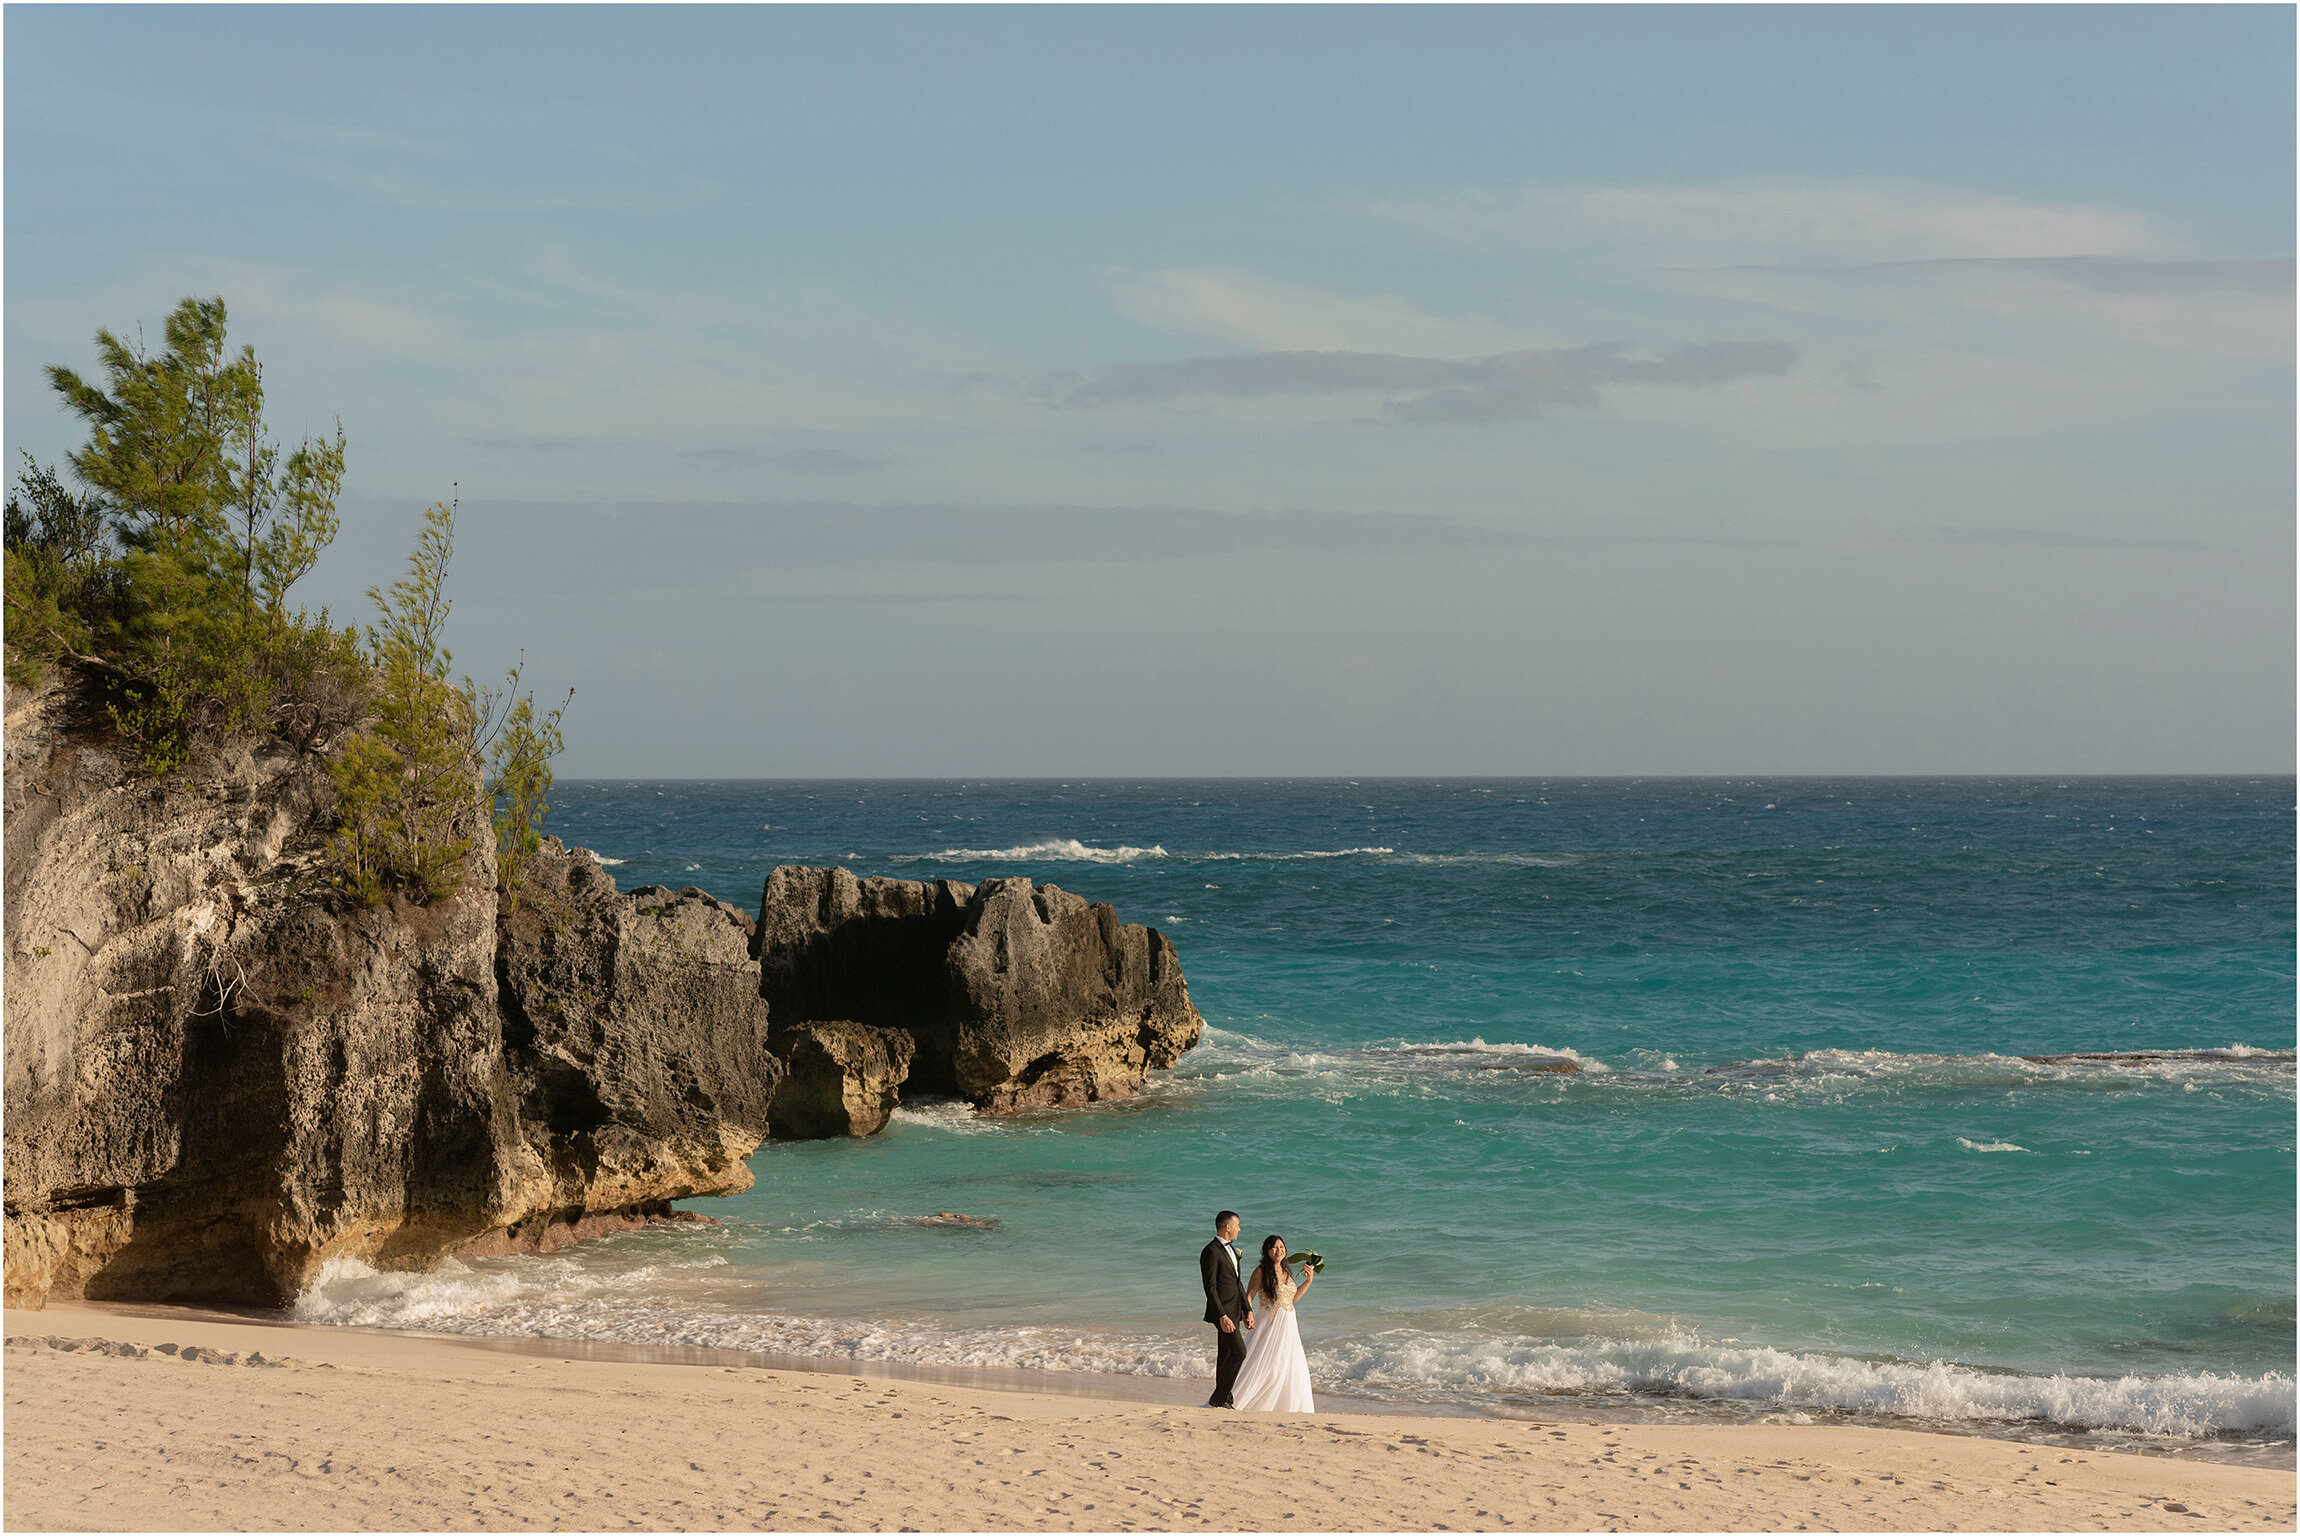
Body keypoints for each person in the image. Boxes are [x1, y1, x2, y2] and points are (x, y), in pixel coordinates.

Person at [1227, 1234, 1316, 1413]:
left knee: (1288, 1363)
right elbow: (1249, 1295)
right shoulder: (1261, 1271)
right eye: (1275, 1247)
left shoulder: (1286, 1271)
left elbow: (1294, 1298)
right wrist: (1248, 1314)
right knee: (1266, 1362)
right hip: (1270, 1321)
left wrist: (1308, 1280)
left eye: (1282, 1247)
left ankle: (1284, 1405)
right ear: (1267, 1251)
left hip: (1289, 1323)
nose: (1279, 1250)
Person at [1198, 1210, 1254, 1408]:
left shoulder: (1232, 1250)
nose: (1240, 1229)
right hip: (1222, 1312)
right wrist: (1221, 1315)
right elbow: (1210, 1287)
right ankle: (1217, 1399)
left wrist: (1247, 1310)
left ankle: (1225, 1400)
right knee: (1239, 1352)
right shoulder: (1210, 1251)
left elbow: (1238, 1283)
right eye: (1237, 1225)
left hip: (1235, 1310)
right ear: (1227, 1227)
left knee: (1225, 1356)